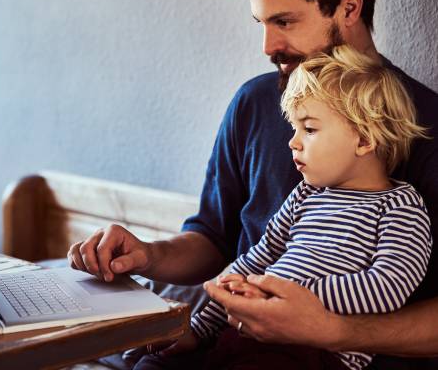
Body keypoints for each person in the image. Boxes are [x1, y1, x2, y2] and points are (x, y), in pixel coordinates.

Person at [68, 0, 438, 369]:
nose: (268, 48)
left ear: (349, 7)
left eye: (284, 22)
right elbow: (214, 240)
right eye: (261, 24)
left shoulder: (421, 125)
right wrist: (146, 256)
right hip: (225, 338)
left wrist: (332, 327)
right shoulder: (256, 101)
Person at [161, 45, 432, 370]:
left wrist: (295, 296)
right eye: (294, 128)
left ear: (363, 140)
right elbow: (260, 256)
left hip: (315, 353)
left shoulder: (400, 206)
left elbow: (389, 286)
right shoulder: (305, 195)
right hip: (245, 335)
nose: (293, 141)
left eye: (310, 129)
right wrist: (214, 307)